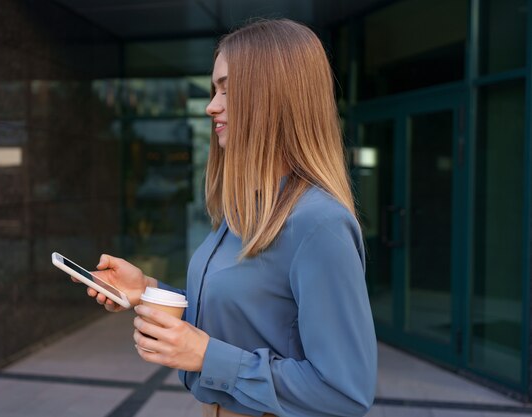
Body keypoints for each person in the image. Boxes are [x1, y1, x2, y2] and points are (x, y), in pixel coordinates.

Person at [80, 18, 377, 417]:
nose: (211, 106)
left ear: (275, 98)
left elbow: (345, 391)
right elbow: (250, 319)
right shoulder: (244, 210)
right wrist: (147, 289)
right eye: (214, 90)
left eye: (228, 90)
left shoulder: (319, 224)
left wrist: (206, 356)